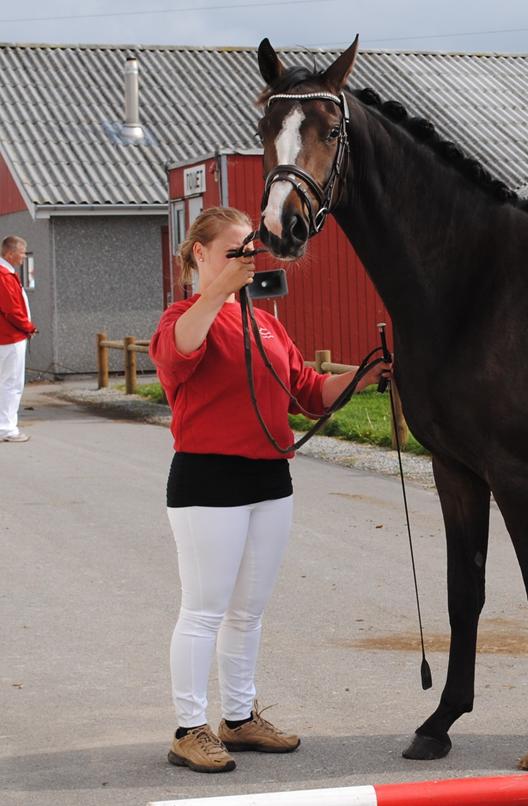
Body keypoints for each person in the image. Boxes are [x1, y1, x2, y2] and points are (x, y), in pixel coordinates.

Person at [149, 207, 390, 773]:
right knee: (203, 611)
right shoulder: (183, 316)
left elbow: (306, 391)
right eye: (234, 251)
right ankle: (189, 728)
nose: (246, 261)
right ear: (200, 253)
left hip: (270, 479)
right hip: (208, 479)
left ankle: (238, 719)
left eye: (250, 252)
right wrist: (220, 290)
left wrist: (361, 377)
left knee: (247, 613)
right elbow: (178, 352)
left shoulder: (267, 323)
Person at [0, 235, 36, 443]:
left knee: (6, 382)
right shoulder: (4, 275)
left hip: (7, 336)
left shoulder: (6, 273)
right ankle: (6, 429)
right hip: (10, 337)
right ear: (10, 253)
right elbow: (12, 310)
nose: (24, 257)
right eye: (22, 253)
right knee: (11, 383)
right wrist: (29, 327)